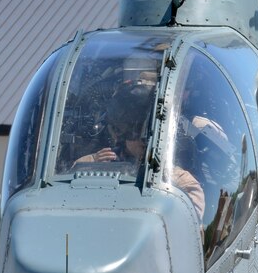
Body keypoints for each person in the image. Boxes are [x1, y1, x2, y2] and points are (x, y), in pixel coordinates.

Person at [76, 84, 205, 219]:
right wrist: (93, 165)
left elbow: (188, 223)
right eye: (136, 131)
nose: (145, 140)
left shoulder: (183, 183)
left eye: (151, 133)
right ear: (119, 132)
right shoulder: (92, 163)